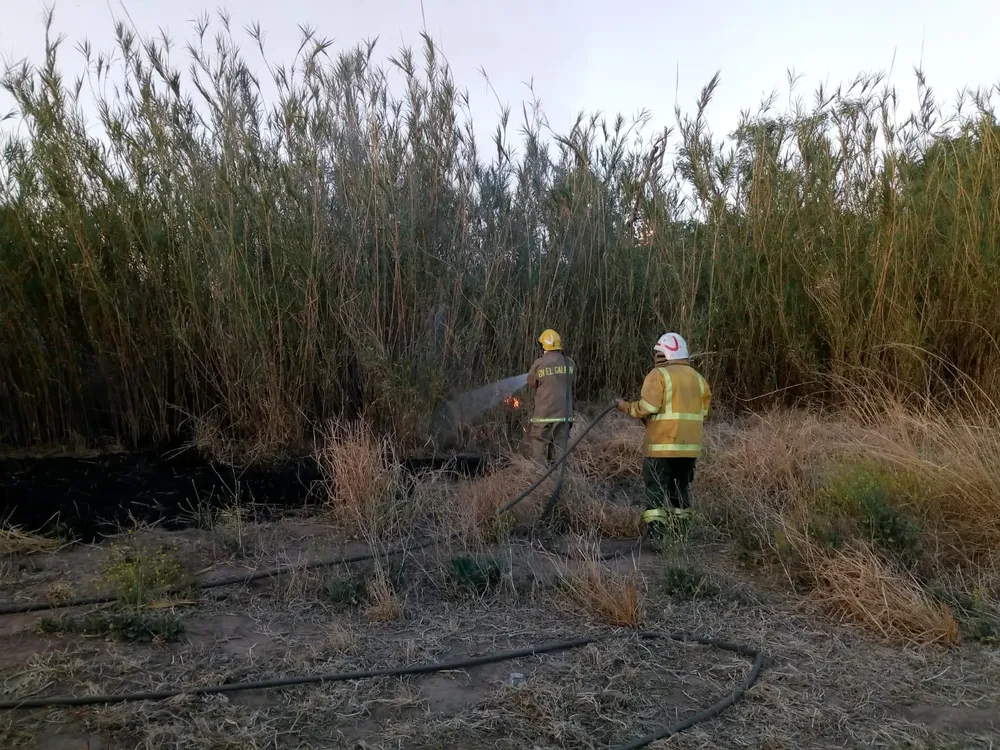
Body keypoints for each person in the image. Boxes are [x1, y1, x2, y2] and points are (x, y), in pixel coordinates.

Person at [617, 332, 711, 538]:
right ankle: (681, 534)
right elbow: (701, 413)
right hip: (689, 448)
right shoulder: (699, 379)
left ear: (664, 354)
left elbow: (647, 407)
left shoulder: (658, 375)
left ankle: (657, 536)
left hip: (661, 446)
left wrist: (625, 407)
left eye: (658, 352)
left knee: (656, 489)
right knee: (681, 490)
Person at [526, 329, 577, 464]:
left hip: (544, 416)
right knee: (560, 455)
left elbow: (531, 382)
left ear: (544, 346)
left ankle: (541, 482)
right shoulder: (569, 363)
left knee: (539, 454)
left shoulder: (539, 364)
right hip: (565, 416)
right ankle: (559, 481)